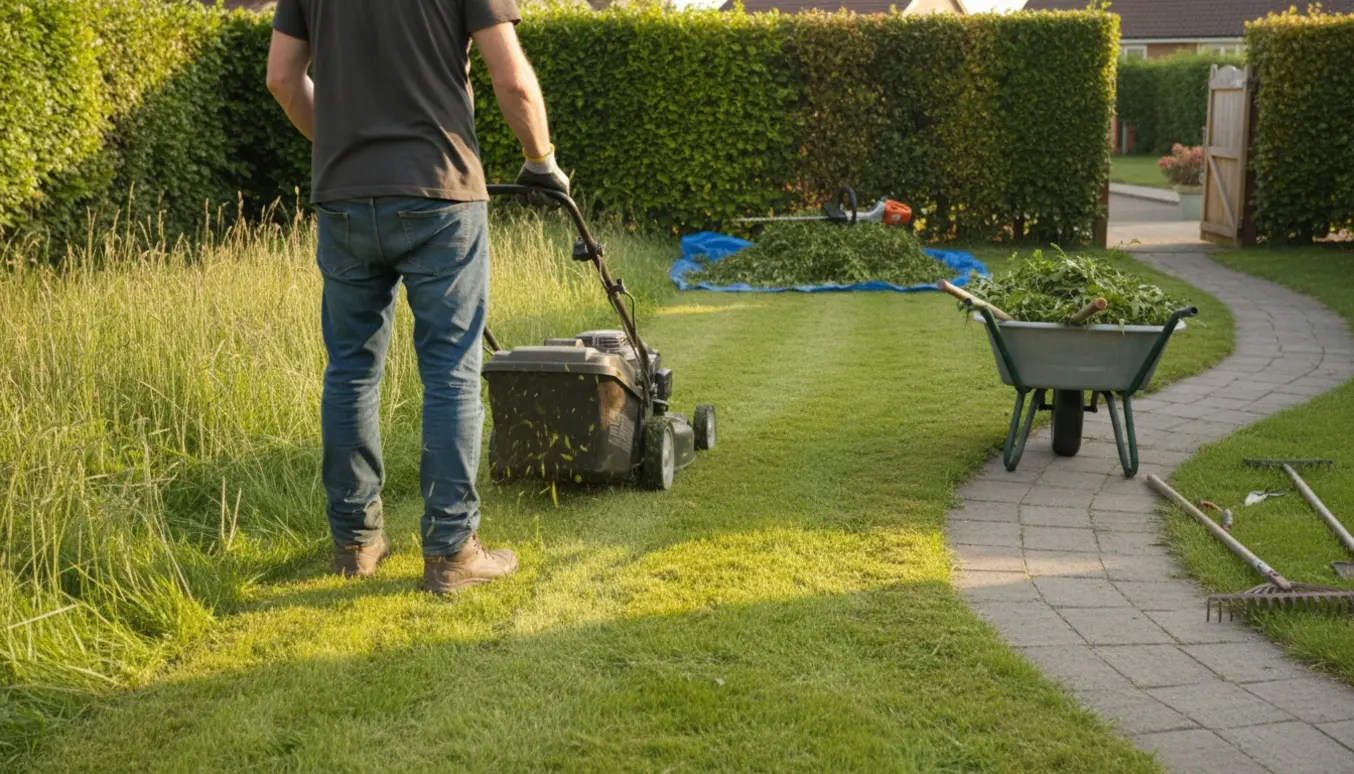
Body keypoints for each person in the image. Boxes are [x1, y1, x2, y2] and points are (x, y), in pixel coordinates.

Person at [265, 0, 568, 593]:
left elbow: (281, 78)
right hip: (441, 192)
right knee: (451, 371)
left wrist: (340, 145)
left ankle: (355, 542)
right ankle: (452, 552)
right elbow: (511, 79)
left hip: (344, 197)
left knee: (350, 370)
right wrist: (542, 161)